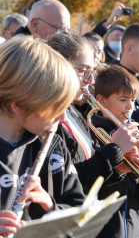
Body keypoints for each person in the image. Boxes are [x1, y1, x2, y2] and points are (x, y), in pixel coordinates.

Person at [0, 35, 85, 236]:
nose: (63, 116)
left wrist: (50, 207)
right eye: (56, 106)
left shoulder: (53, 144)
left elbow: (79, 208)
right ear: (18, 105)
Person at [47, 32, 139, 195]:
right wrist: (114, 150)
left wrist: (118, 169)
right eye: (82, 70)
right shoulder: (43, 118)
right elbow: (63, 183)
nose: (90, 80)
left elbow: (85, 174)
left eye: (92, 71)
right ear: (58, 66)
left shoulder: (73, 110)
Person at [92, 64, 139, 238]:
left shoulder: (135, 133)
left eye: (133, 100)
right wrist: (134, 172)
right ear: (102, 101)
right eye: (123, 100)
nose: (130, 107)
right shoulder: (94, 135)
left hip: (132, 226)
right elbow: (100, 189)